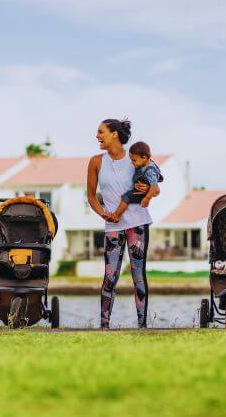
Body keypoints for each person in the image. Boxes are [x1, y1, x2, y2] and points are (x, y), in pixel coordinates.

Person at [85, 119, 157, 329]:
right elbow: (90, 195)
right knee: (109, 276)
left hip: (137, 224)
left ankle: (142, 326)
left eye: (101, 132)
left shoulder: (135, 156)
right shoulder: (96, 162)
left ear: (114, 134)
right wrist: (103, 214)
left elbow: (156, 187)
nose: (97, 136)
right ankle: (104, 326)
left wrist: (148, 191)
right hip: (113, 227)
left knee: (138, 276)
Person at [110, 141, 162, 222]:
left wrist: (147, 198)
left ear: (144, 158)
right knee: (126, 197)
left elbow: (154, 187)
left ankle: (116, 215)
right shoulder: (142, 163)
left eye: (134, 160)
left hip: (140, 196)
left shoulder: (150, 170)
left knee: (126, 197)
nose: (132, 162)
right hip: (136, 197)